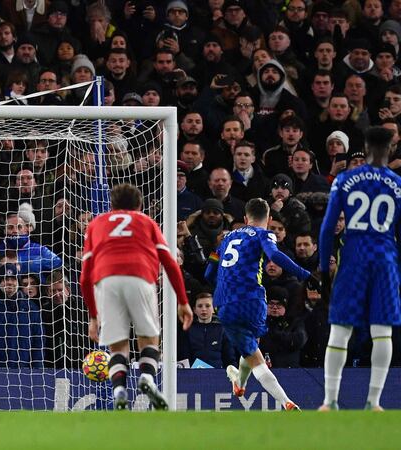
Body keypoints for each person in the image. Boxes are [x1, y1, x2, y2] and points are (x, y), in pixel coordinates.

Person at [80, 183, 193, 410]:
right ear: (139, 205)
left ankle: (119, 391)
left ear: (112, 205)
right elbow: (170, 263)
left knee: (118, 346)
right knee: (149, 340)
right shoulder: (146, 222)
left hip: (106, 280)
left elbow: (84, 277)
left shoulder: (96, 224)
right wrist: (183, 301)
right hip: (140, 277)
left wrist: (93, 316)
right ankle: (147, 378)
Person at [205, 198, 317, 411]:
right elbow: (274, 255)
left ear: (245, 218)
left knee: (251, 350)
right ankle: (281, 400)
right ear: (269, 218)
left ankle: (245, 385)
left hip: (225, 302)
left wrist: (224, 288)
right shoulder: (264, 234)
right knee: (253, 350)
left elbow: (208, 273)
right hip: (253, 300)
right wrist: (305, 275)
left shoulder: (224, 240)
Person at [317, 127, 401, 411]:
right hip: (385, 259)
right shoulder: (398, 183)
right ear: (389, 149)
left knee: (340, 330)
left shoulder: (345, 180)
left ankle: (329, 401)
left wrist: (324, 269)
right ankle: (374, 402)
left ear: (365, 148)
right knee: (382, 332)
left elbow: (327, 228)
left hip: (353, 257)